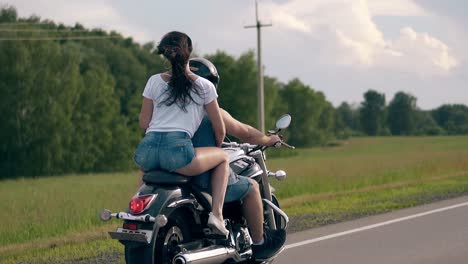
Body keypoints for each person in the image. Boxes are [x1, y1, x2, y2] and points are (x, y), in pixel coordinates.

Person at [133, 32, 229, 237]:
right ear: (190, 52)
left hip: (146, 152)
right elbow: (219, 129)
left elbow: (144, 122)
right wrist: (217, 146)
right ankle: (217, 216)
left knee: (149, 173)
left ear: (165, 55)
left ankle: (138, 213)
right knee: (222, 158)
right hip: (177, 154)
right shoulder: (205, 86)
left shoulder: (153, 81)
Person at [189, 58, 286, 259]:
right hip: (202, 174)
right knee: (250, 187)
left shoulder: (174, 111)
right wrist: (269, 139)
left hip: (177, 172)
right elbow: (247, 133)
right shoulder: (212, 112)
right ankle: (259, 245)